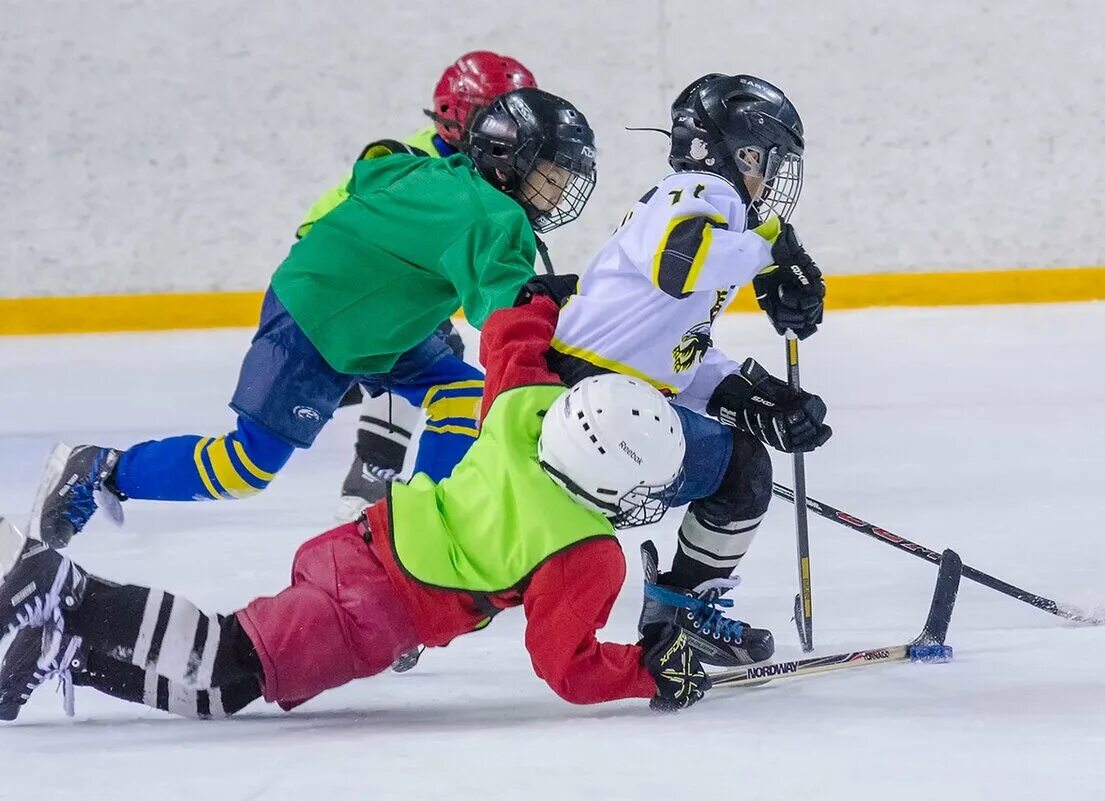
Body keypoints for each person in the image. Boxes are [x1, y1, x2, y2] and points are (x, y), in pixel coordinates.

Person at [0, 294, 711, 720]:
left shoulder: (525, 413)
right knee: (227, 656)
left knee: (230, 687)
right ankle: (65, 590)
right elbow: (567, 665)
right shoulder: (588, 551)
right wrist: (651, 667)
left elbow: (509, 342)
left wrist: (543, 302)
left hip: (358, 543)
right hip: (376, 609)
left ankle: (68, 647)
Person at [27, 86, 597, 553]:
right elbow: (510, 325)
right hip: (322, 322)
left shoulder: (446, 176)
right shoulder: (492, 217)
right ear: (508, 159)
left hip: (371, 318)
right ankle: (100, 470)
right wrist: (580, 355)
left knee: (461, 394)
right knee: (243, 469)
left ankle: (416, 532)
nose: (559, 190)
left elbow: (373, 171)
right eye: (550, 174)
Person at [542, 73, 831, 668]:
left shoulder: (696, 208)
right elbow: (681, 261)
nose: (767, 179)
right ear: (730, 150)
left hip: (590, 394)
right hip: (591, 401)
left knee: (740, 462)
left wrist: (754, 396)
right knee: (741, 471)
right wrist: (773, 247)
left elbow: (674, 349)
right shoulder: (701, 190)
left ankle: (676, 614)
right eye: (761, 159)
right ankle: (678, 612)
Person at [294, 51, 540, 518]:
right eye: (499, 116)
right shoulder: (414, 164)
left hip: (381, 295)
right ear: (457, 116)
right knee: (431, 349)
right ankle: (374, 470)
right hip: (344, 298)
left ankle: (370, 443)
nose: (513, 130)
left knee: (435, 349)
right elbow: (324, 234)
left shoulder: (485, 169)